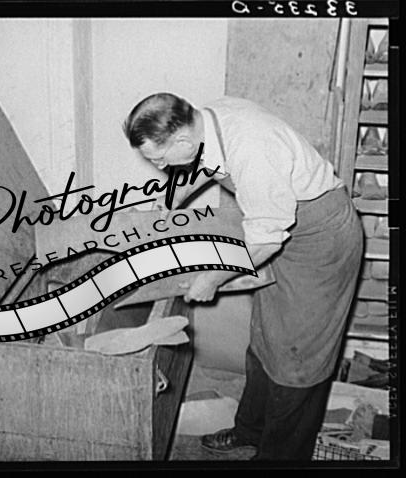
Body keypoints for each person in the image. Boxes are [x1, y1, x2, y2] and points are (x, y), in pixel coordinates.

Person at [123, 93, 363, 460]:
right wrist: (170, 202)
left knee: (298, 361)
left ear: (182, 140)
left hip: (320, 244)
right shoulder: (205, 122)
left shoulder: (252, 149)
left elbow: (265, 242)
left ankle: (280, 457)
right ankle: (250, 430)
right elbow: (200, 167)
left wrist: (212, 279)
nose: (158, 166)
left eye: (159, 158)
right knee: (265, 338)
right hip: (284, 229)